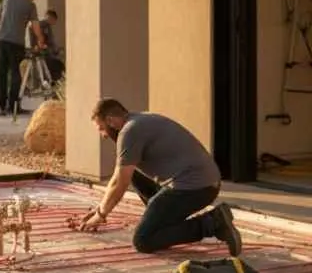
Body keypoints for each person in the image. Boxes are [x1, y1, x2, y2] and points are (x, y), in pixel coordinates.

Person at [80, 98, 243, 256]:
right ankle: (159, 222)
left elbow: (119, 183)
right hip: (203, 183)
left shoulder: (129, 132)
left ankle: (213, 223)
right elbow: (120, 175)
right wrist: (100, 209)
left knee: (143, 240)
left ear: (110, 121)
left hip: (195, 189)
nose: (103, 135)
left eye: (101, 128)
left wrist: (100, 215)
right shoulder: (140, 120)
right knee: (132, 171)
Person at [0, 0, 43, 115]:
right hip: (16, 42)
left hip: (1, 40)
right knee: (16, 73)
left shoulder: (7, 0)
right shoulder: (30, 5)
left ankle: (1, 105)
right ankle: (13, 106)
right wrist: (40, 39)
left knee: (2, 72)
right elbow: (36, 25)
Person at [39, 8, 64, 83]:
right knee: (58, 67)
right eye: (54, 21)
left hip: (47, 54)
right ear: (51, 18)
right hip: (44, 55)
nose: (53, 23)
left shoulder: (45, 26)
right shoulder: (43, 25)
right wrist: (56, 51)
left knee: (59, 65)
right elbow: (49, 42)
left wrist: (57, 50)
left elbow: (51, 42)